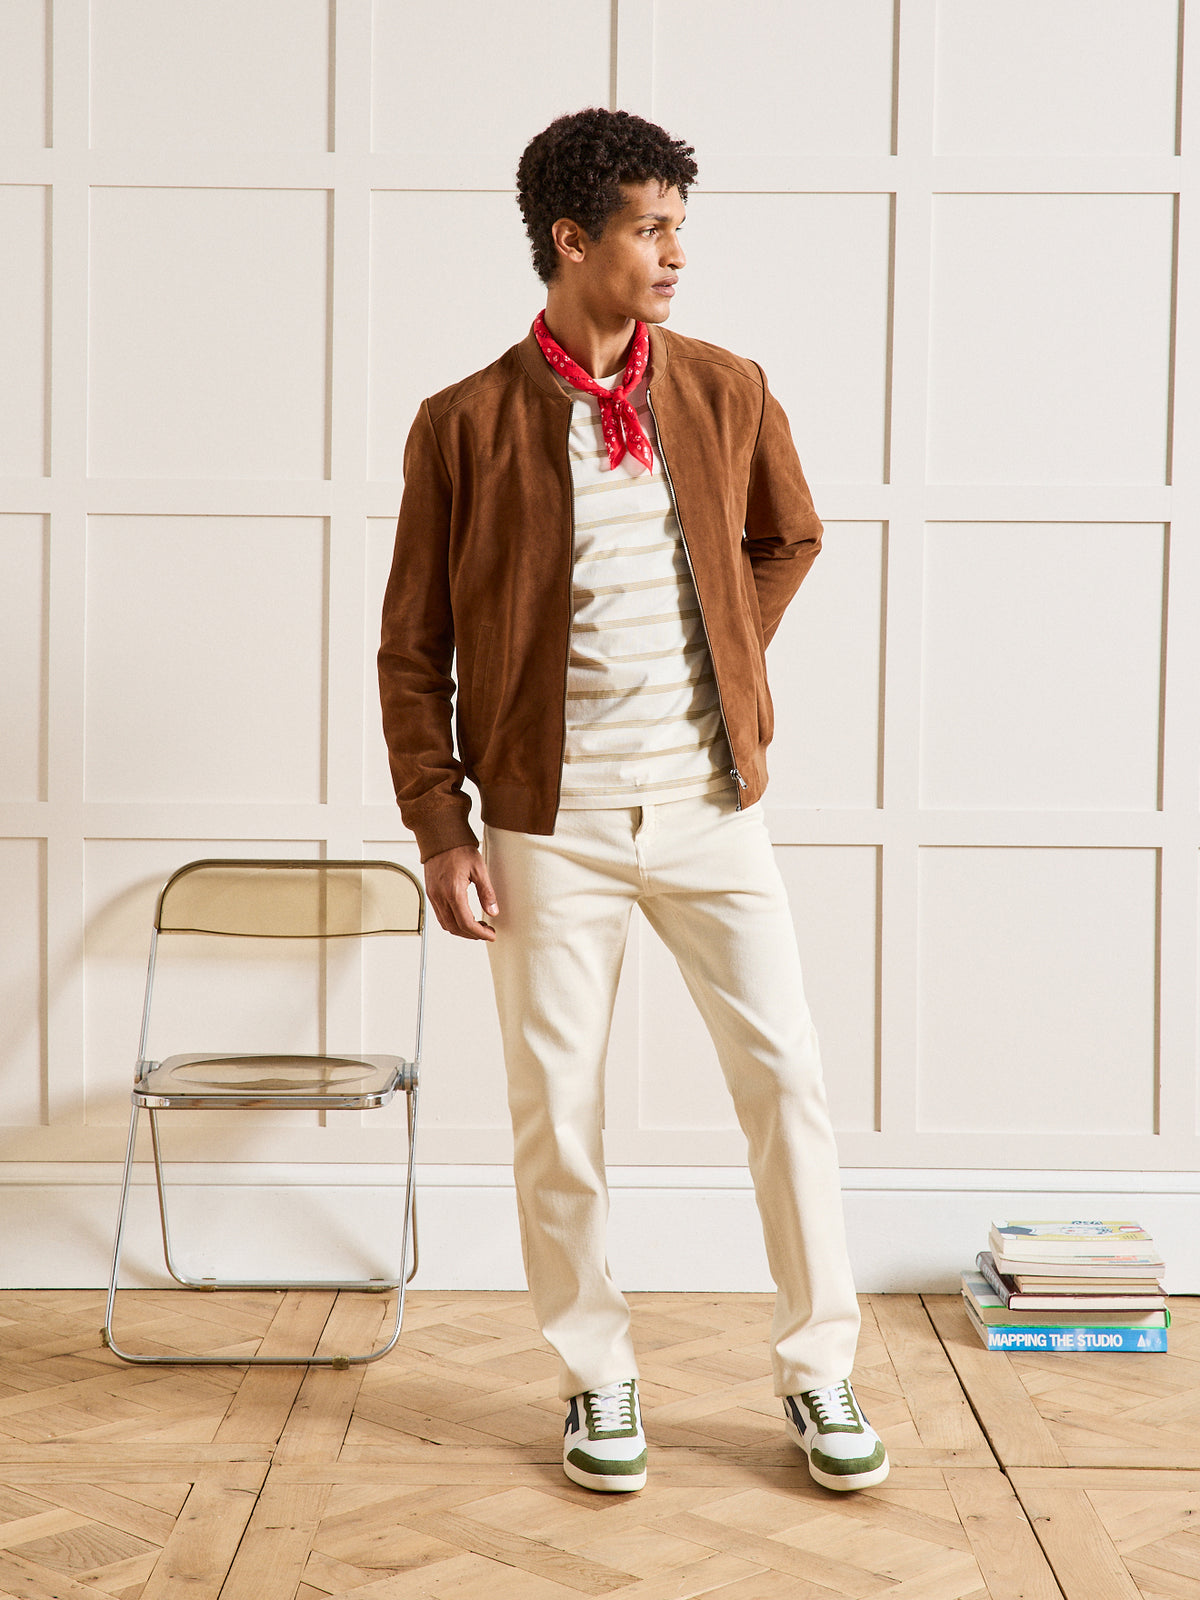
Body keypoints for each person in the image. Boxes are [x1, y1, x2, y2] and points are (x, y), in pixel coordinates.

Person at [378, 106, 888, 1496]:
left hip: (713, 807)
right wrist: (442, 826)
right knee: (557, 1109)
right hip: (548, 828)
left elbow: (788, 536)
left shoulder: (726, 388)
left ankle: (821, 1365)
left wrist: (731, 656)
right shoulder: (463, 425)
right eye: (651, 230)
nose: (675, 254)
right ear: (571, 240)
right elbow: (412, 649)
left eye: (679, 228)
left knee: (785, 1080)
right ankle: (595, 1375)